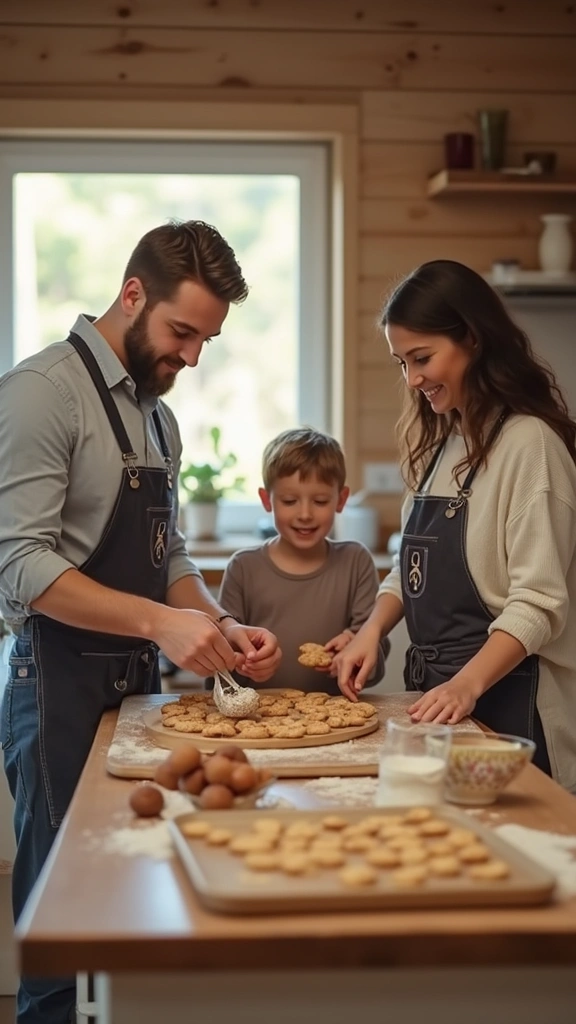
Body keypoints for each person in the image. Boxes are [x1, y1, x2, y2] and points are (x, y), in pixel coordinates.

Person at [0, 219, 279, 1023]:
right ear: (131, 295)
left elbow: (169, 554)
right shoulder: (40, 392)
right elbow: (19, 565)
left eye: (207, 340)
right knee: (65, 913)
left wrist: (218, 625)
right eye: (182, 331)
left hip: (135, 686)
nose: (193, 357)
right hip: (54, 680)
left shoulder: (157, 415)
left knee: (130, 894)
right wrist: (162, 625)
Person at [335, 259, 576, 791]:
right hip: (443, 705)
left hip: (516, 709)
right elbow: (409, 571)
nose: (413, 379)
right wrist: (371, 631)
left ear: (472, 339)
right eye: (401, 363)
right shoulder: (439, 446)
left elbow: (538, 603)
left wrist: (467, 686)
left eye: (422, 358)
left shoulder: (530, 447)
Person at [218, 427, 389, 693]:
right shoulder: (243, 568)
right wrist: (245, 664)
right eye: (289, 501)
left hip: (335, 720)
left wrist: (352, 653)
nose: (305, 514)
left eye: (320, 501)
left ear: (341, 500)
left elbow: (374, 652)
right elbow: (221, 661)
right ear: (267, 500)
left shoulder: (355, 562)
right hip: (257, 720)